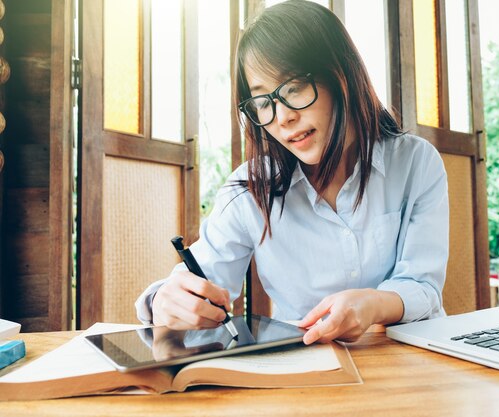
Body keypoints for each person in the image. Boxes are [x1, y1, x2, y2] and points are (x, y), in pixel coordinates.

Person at [136, 0, 449, 345]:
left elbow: (423, 286)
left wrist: (373, 304)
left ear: (341, 75)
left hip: (411, 358)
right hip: (307, 366)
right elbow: (202, 280)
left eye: (294, 88)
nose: (282, 117)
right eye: (262, 101)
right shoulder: (249, 191)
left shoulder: (416, 163)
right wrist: (165, 301)